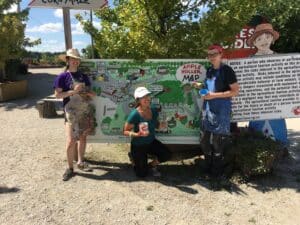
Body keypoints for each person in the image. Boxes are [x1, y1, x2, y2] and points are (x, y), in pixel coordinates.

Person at [195, 44, 239, 178]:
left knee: (217, 142)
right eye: (210, 54)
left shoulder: (227, 71)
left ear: (221, 54)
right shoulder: (209, 71)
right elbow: (209, 88)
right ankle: (208, 166)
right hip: (208, 109)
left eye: (215, 54)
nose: (212, 56)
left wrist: (213, 95)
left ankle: (216, 172)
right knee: (204, 140)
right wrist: (200, 86)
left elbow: (235, 91)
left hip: (221, 110)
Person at [54, 48, 95, 181]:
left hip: (84, 110)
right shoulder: (62, 76)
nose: (75, 61)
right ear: (67, 60)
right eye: (72, 59)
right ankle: (70, 168)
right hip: (70, 111)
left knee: (83, 137)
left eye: (77, 59)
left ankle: (80, 162)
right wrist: (73, 91)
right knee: (71, 140)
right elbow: (57, 95)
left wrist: (89, 93)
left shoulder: (83, 76)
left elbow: (90, 93)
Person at [246, 23, 288, 145]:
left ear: (272, 39)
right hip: (257, 103)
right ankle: (255, 152)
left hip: (276, 102)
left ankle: (281, 149)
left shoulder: (281, 59)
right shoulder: (248, 61)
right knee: (256, 133)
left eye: (267, 37)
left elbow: (286, 80)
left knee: (278, 130)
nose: (264, 41)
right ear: (254, 43)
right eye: (259, 39)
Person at [123, 87, 171, 178]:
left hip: (151, 142)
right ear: (138, 100)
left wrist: (161, 125)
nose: (146, 99)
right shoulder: (135, 114)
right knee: (141, 175)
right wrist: (137, 134)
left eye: (147, 96)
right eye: (143, 97)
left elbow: (156, 125)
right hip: (138, 145)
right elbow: (125, 131)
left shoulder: (153, 110)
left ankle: (150, 165)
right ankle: (134, 160)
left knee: (167, 155)